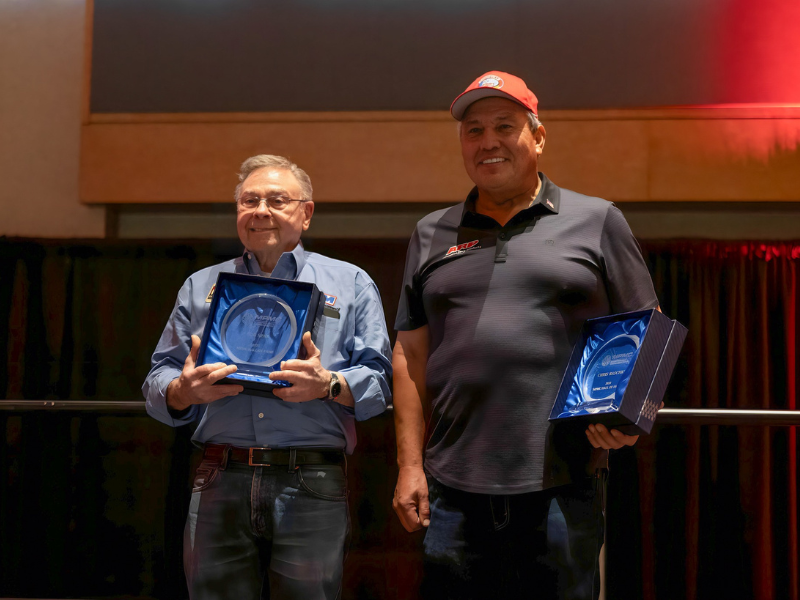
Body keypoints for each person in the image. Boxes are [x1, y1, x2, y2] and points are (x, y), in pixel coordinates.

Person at [391, 71, 660, 600]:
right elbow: (409, 352)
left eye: (504, 126)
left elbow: (644, 330)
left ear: (538, 137)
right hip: (451, 490)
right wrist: (408, 466)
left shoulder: (598, 219)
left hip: (563, 484)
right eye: (473, 130)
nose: (487, 141)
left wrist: (631, 417)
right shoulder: (431, 232)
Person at [143, 154, 392, 600]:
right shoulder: (201, 285)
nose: (261, 211)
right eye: (249, 200)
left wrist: (329, 385)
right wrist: (183, 391)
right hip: (218, 475)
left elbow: (379, 382)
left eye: (277, 200)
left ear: (306, 212)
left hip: (311, 481)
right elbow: (158, 378)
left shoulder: (351, 282)